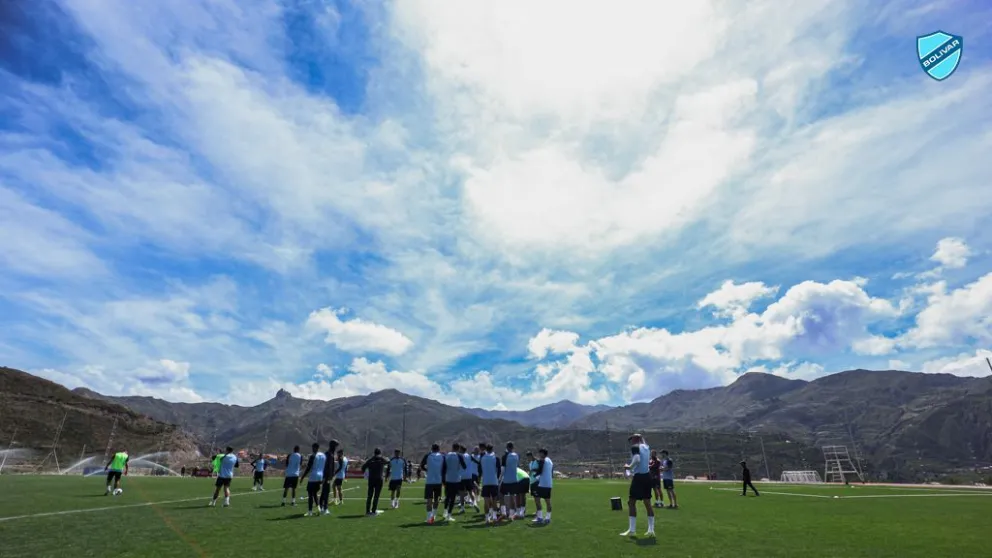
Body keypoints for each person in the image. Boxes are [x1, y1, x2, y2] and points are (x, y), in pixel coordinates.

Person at [621, 434, 655, 537]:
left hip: (639, 477)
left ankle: (632, 530)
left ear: (636, 439)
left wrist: (629, 467)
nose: (631, 442)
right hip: (647, 476)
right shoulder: (647, 447)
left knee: (631, 502)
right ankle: (651, 530)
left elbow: (637, 459)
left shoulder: (635, 447)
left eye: (632, 440)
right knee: (647, 502)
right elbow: (644, 443)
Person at [421, 443, 445, 524]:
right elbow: (444, 468)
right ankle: (433, 516)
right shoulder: (442, 456)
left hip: (429, 481)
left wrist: (427, 470)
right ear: (439, 449)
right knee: (437, 499)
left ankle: (428, 518)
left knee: (429, 499)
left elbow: (422, 465)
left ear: (432, 448)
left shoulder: (428, 455)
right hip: (438, 480)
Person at [442, 442, 466, 521]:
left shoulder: (447, 455)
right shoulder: (459, 455)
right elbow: (464, 466)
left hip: (447, 478)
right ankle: (449, 515)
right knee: (453, 498)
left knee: (447, 496)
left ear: (452, 447)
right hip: (455, 479)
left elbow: (444, 467)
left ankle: (445, 512)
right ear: (458, 448)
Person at [479, 443, 502, 525]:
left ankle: (487, 519)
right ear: (492, 449)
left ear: (486, 449)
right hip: (494, 481)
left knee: (486, 501)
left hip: (485, 481)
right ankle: (495, 518)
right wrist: (497, 478)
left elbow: (480, 469)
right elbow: (499, 471)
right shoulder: (496, 458)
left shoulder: (482, 458)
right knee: (495, 500)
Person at [361, 448, 388, 517]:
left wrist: (367, 473)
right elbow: (388, 462)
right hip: (379, 479)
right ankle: (373, 511)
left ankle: (368, 511)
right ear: (380, 453)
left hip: (371, 479)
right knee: (376, 496)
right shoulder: (381, 460)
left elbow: (363, 468)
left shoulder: (370, 460)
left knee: (370, 495)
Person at [532, 448, 553, 525]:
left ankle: (540, 518)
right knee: (548, 502)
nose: (539, 455)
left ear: (543, 454)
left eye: (540, 453)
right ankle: (548, 518)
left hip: (542, 484)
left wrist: (535, 475)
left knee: (537, 500)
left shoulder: (542, 460)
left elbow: (540, 471)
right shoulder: (550, 461)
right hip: (549, 483)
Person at [319, 440, 340, 513]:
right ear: (332, 446)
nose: (336, 448)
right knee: (326, 492)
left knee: (324, 492)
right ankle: (325, 508)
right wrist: (327, 476)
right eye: (335, 446)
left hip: (327, 476)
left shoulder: (330, 454)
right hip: (327, 476)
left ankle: (321, 507)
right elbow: (327, 467)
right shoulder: (329, 454)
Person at [501, 442, 520, 518]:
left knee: (500, 495)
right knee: (512, 496)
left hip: (506, 480)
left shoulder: (505, 456)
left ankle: (504, 512)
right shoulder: (516, 455)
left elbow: (503, 469)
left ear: (507, 447)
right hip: (514, 479)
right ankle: (511, 514)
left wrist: (499, 479)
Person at [527, 450, 539, 518]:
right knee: (535, 497)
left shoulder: (536, 461)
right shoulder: (530, 463)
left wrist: (533, 470)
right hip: (531, 482)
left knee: (537, 497)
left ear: (531, 456)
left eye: (529, 457)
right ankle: (537, 510)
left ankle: (539, 511)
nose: (528, 459)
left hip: (536, 481)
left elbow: (539, 470)